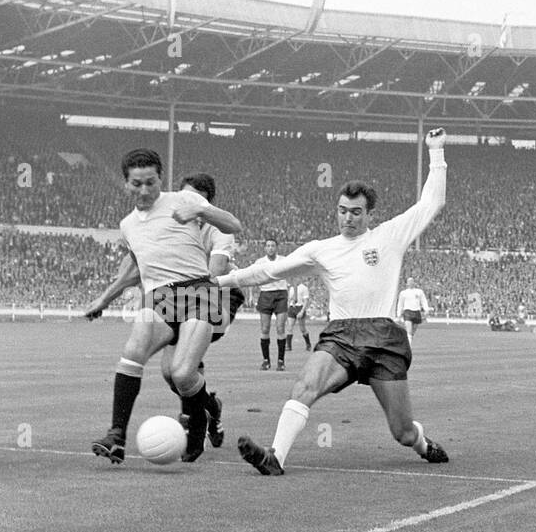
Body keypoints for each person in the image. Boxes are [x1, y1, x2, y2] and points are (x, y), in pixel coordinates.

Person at [214, 129, 451, 474]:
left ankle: (423, 444)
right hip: (341, 336)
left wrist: (437, 150)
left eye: (356, 212)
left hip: (384, 337)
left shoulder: (390, 236)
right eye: (342, 211)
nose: (347, 218)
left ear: (370, 214)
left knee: (401, 431)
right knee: (305, 385)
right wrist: (221, 280)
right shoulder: (320, 250)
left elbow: (433, 202)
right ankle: (275, 457)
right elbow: (270, 271)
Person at [83, 150, 243, 463]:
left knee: (182, 375)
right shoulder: (127, 225)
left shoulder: (184, 200)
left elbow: (233, 225)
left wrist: (202, 213)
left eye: (151, 183)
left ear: (161, 178)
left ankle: (198, 422)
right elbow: (134, 270)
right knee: (133, 351)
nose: (145, 191)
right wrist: (104, 299)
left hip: (198, 291)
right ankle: (116, 435)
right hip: (159, 296)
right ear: (126, 183)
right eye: (137, 184)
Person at [253, 239, 290, 370]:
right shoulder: (260, 262)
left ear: (277, 247)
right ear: (265, 248)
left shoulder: (283, 260)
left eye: (273, 245)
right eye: (268, 246)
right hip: (266, 294)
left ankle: (281, 361)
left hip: (281, 294)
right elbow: (253, 276)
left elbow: (293, 274)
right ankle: (266, 360)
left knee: (280, 328)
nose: (270, 248)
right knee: (264, 329)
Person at [395, 276, 430, 340]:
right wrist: (399, 314)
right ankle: (408, 347)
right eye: (409, 281)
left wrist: (426, 309)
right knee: (409, 331)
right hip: (407, 312)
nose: (411, 283)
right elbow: (400, 304)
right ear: (407, 283)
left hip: (417, 312)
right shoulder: (403, 293)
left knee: (412, 333)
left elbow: (423, 301)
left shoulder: (419, 291)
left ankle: (406, 340)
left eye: (412, 281)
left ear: (414, 283)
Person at [285, 280, 312, 352]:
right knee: (289, 327)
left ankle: (308, 344)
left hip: (299, 308)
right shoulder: (291, 288)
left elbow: (306, 301)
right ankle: (288, 346)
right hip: (292, 308)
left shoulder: (303, 288)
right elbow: (288, 299)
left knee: (302, 329)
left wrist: (302, 311)